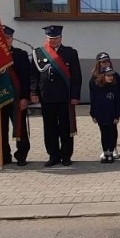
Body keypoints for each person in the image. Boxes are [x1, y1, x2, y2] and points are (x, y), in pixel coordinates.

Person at [33, 24, 82, 167]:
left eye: (55, 38)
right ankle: (53, 155)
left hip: (64, 97)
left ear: (61, 38)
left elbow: (76, 77)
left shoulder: (70, 53)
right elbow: (34, 75)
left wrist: (75, 96)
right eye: (50, 38)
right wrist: (33, 92)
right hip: (46, 96)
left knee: (65, 128)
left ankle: (66, 155)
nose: (53, 41)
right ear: (46, 38)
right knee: (49, 128)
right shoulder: (39, 53)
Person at [0, 26, 34, 167]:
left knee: (20, 128)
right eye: (2, 38)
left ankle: (21, 155)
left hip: (16, 98)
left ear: (12, 39)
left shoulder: (20, 55)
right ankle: (3, 156)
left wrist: (24, 97)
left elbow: (25, 78)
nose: (6, 40)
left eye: (8, 38)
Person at [88, 54, 120, 163]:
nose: (105, 64)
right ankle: (106, 151)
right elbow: (93, 97)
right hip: (101, 112)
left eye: (107, 61)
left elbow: (119, 94)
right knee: (104, 131)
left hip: (112, 111)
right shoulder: (93, 79)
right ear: (98, 64)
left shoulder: (115, 76)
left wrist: (119, 110)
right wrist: (93, 113)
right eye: (103, 62)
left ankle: (113, 149)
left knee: (112, 130)